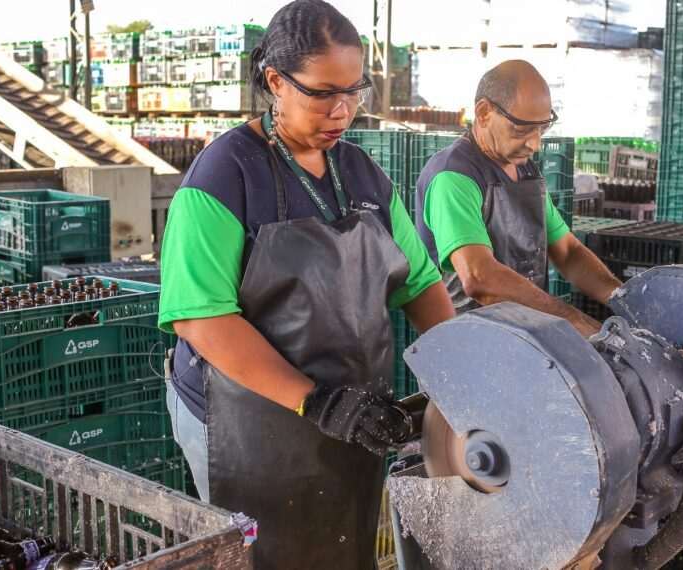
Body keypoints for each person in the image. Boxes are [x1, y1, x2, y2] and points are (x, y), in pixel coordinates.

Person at [156, 1, 455, 567]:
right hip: (248, 416)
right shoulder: (225, 175)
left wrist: (464, 376)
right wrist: (315, 402)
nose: (342, 109)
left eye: (354, 90)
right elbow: (204, 319)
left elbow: (418, 283)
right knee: (262, 554)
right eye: (322, 92)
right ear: (275, 81)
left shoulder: (362, 173)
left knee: (340, 547)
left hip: (351, 411)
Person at [415, 60, 622, 337]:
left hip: (525, 341)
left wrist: (622, 297)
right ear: (484, 112)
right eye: (523, 130)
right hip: (466, 351)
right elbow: (480, 278)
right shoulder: (454, 176)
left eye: (542, 129)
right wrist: (574, 322)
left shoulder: (526, 171)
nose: (535, 144)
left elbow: (569, 253)